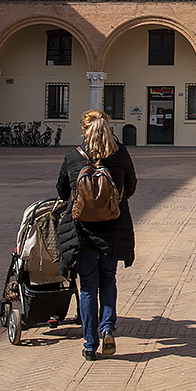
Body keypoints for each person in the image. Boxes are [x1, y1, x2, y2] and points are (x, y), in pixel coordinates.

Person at [56, 110, 138, 361]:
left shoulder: (73, 157)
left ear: (84, 130)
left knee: (88, 288)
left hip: (83, 233)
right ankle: (107, 329)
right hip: (112, 230)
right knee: (109, 280)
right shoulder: (120, 153)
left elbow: (61, 191)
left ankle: (89, 344)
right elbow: (131, 187)